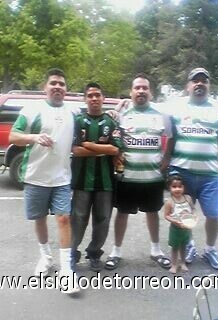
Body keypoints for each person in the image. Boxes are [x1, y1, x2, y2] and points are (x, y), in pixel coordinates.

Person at [9, 68, 80, 294]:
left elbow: (89, 124)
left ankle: (67, 272)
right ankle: (46, 258)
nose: (58, 87)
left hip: (61, 178)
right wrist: (33, 137)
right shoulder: (32, 109)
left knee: (63, 218)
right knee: (39, 219)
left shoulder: (74, 111)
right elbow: (13, 135)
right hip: (35, 176)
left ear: (66, 89)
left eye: (61, 83)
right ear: (45, 87)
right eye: (54, 83)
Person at [164, 67, 218, 270]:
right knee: (182, 214)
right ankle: (189, 245)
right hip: (182, 173)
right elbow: (166, 133)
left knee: (213, 215)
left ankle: (210, 249)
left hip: (210, 174)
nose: (199, 84)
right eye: (195, 81)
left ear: (208, 85)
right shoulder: (175, 107)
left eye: (204, 81)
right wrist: (123, 104)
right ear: (188, 86)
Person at [105, 73, 172, 270]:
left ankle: (156, 250)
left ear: (150, 92)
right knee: (122, 213)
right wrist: (116, 108)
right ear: (131, 92)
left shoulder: (161, 115)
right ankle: (116, 251)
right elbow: (109, 133)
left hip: (152, 177)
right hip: (127, 177)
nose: (141, 91)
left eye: (145, 88)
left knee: (152, 212)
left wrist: (167, 158)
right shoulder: (121, 115)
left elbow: (171, 137)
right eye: (137, 88)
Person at [71, 82, 122, 272]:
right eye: (90, 95)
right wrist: (104, 149)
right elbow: (75, 150)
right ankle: (71, 253)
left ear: (103, 98)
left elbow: (116, 148)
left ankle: (94, 253)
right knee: (78, 218)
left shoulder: (111, 122)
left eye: (97, 95)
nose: (94, 98)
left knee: (102, 220)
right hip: (81, 181)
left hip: (105, 182)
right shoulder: (77, 121)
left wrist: (89, 145)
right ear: (85, 99)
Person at [164, 174, 196, 274]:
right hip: (175, 229)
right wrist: (174, 221)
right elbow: (166, 215)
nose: (177, 189)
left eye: (180, 186)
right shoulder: (169, 202)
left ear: (183, 187)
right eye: (174, 187)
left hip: (186, 228)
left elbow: (193, 209)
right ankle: (174, 264)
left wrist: (195, 216)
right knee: (175, 247)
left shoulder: (188, 198)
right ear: (169, 188)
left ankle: (183, 262)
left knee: (183, 246)